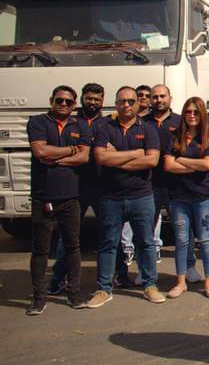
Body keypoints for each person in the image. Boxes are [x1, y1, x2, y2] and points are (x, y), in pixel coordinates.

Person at [88, 86, 165, 308]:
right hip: (111, 197)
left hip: (141, 196)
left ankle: (150, 285)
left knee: (146, 242)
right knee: (108, 243)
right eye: (122, 101)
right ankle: (104, 289)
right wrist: (136, 153)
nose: (127, 105)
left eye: (131, 101)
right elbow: (101, 158)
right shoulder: (104, 128)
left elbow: (152, 161)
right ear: (116, 103)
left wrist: (117, 158)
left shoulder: (148, 129)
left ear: (138, 104)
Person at [26, 85, 91, 315]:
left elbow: (84, 157)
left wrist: (55, 158)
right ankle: (39, 298)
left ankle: (74, 294)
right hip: (43, 197)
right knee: (40, 250)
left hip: (70, 197)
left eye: (68, 102)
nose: (63, 104)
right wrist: (71, 150)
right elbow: (40, 152)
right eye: (59, 100)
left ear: (74, 105)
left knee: (73, 247)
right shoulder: (37, 122)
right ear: (51, 100)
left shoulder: (80, 125)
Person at [48, 83, 110, 294]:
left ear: (102, 101)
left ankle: (117, 275)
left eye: (97, 99)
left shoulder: (108, 123)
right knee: (67, 237)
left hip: (103, 187)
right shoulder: (72, 122)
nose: (92, 102)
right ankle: (57, 278)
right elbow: (62, 150)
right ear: (81, 99)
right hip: (75, 186)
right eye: (89, 98)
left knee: (110, 234)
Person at [163, 97, 209, 299]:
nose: (192, 115)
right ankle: (181, 283)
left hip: (202, 198)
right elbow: (168, 166)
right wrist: (196, 165)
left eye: (196, 112)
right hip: (179, 198)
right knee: (181, 241)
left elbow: (208, 165)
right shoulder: (174, 136)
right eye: (188, 112)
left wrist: (181, 159)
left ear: (202, 114)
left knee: (205, 240)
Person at [141, 84, 184, 274]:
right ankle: (145, 271)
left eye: (162, 96)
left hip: (176, 186)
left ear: (170, 98)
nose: (159, 100)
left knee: (182, 233)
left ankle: (189, 267)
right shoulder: (142, 122)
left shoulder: (180, 121)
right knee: (146, 233)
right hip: (148, 185)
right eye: (155, 96)